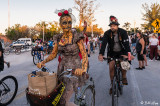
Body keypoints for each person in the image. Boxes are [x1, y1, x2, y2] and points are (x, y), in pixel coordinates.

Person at [37, 8, 88, 106]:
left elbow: (84, 53)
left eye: (69, 22)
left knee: (63, 101)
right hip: (62, 69)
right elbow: (53, 54)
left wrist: (83, 68)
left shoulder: (76, 36)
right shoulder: (58, 37)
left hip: (75, 70)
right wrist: (43, 62)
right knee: (56, 98)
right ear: (60, 24)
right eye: (65, 23)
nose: (68, 25)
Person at [98, 16, 133, 95]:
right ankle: (112, 85)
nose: (112, 27)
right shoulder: (107, 33)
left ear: (117, 26)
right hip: (112, 53)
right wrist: (101, 54)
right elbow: (104, 44)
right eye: (111, 26)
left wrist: (128, 54)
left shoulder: (123, 32)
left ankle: (124, 76)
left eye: (114, 25)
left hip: (122, 52)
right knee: (111, 67)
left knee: (124, 64)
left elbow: (126, 44)